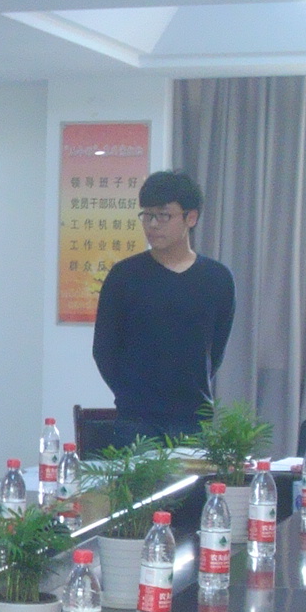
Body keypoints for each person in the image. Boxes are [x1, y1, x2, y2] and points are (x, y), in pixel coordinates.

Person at [92, 170, 236, 446]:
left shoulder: (217, 279)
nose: (153, 225)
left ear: (190, 218)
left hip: (194, 420)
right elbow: (104, 350)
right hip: (136, 420)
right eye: (147, 215)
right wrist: (130, 394)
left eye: (163, 215)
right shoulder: (124, 276)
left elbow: (215, 350)